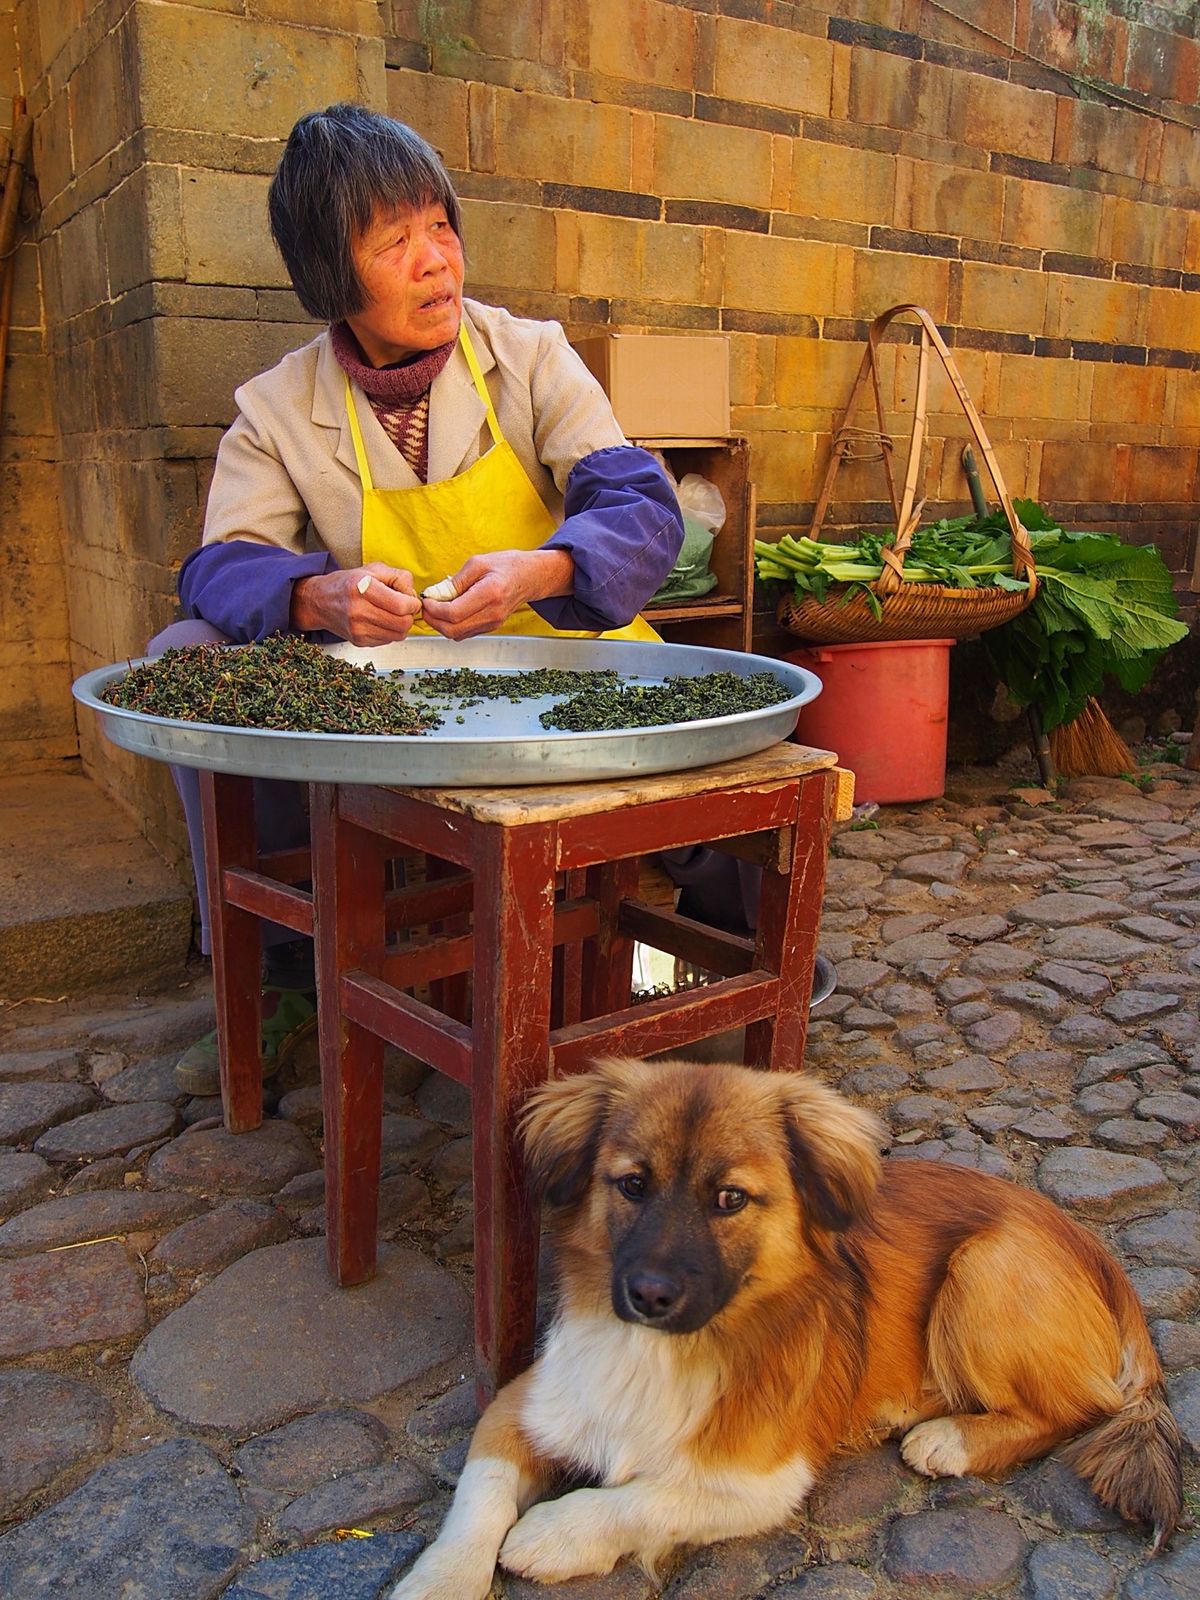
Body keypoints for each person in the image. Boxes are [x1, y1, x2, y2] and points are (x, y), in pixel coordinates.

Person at [155, 102, 684, 1094]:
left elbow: (640, 506)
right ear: (330, 274)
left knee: (708, 725)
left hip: (563, 660)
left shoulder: (530, 355)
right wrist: (317, 596)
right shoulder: (277, 407)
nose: (436, 260)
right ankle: (282, 974)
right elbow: (218, 568)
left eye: (440, 226)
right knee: (186, 648)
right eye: (395, 242)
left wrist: (548, 569)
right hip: (402, 693)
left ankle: (713, 951)